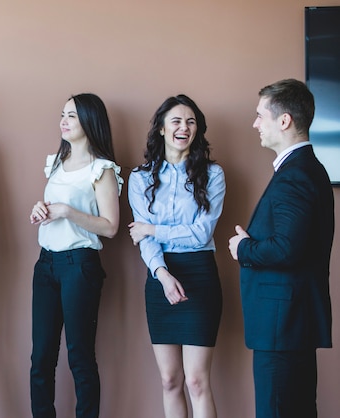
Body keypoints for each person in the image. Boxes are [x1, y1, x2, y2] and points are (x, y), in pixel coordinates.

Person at [228, 79, 334, 418]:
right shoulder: (306, 169)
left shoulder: (296, 175)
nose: (255, 124)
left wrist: (244, 248)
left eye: (261, 116)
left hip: (282, 326)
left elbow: (288, 248)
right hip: (290, 324)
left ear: (284, 120)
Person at [128, 94, 225, 418]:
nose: (184, 127)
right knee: (170, 380)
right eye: (177, 121)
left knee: (197, 381)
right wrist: (162, 274)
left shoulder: (213, 174)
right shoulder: (140, 178)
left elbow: (202, 233)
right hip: (160, 277)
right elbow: (143, 242)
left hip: (199, 274)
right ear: (161, 128)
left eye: (191, 121)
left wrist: (153, 229)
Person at [29, 93, 122, 418]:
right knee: (41, 357)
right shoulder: (55, 161)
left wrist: (68, 211)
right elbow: (53, 210)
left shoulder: (101, 169)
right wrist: (41, 210)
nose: (63, 121)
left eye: (72, 115)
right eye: (62, 115)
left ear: (89, 121)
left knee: (80, 356)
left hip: (79, 266)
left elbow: (111, 227)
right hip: (46, 265)